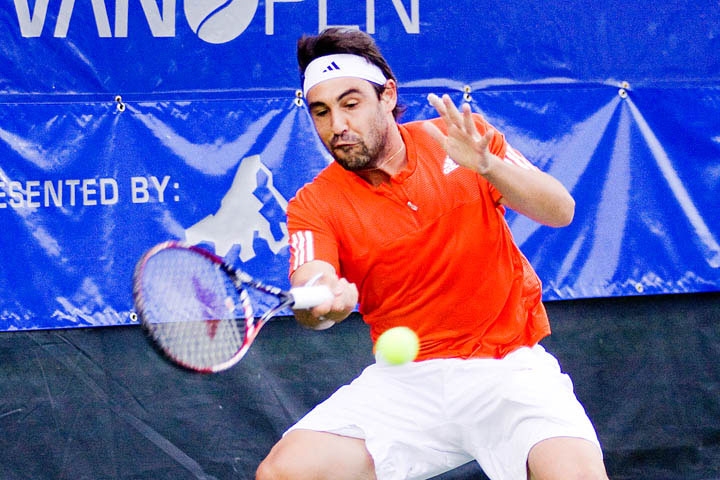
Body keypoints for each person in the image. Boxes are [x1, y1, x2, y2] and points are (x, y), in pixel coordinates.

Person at [256, 27, 609, 480]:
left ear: (387, 95)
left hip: (509, 367)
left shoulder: (461, 140)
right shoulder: (314, 203)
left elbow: (560, 210)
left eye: (350, 104)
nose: (337, 125)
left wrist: (488, 166)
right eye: (321, 112)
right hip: (408, 383)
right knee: (283, 472)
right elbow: (312, 280)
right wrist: (325, 300)